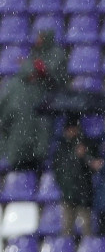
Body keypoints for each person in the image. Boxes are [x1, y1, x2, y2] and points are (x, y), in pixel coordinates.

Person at [0, 30, 69, 172]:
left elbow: (54, 74)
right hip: (26, 148)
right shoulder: (18, 87)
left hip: (27, 148)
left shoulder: (54, 56)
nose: (37, 40)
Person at [53, 121, 94, 237]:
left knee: (86, 228)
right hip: (68, 193)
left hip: (83, 193)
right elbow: (59, 170)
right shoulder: (61, 148)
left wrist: (83, 157)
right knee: (67, 228)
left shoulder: (85, 145)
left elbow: (92, 167)